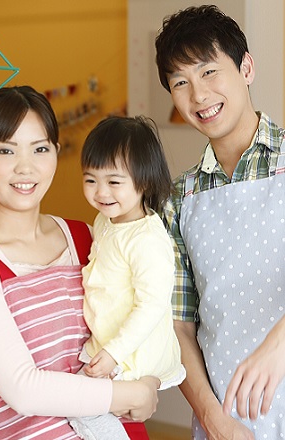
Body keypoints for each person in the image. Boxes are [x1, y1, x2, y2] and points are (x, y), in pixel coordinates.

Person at [0, 86, 160, 440]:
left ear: (56, 153)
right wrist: (133, 394)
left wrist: (151, 380)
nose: (25, 167)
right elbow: (23, 390)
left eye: (40, 149)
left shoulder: (88, 237)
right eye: (5, 150)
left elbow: (145, 312)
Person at [156, 5, 285, 439]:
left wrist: (278, 343)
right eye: (181, 82)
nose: (198, 95)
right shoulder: (179, 199)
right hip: (228, 424)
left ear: (246, 68)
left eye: (209, 72)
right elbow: (178, 326)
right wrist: (214, 420)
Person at [67, 116, 186, 439]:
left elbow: (152, 305)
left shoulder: (146, 239)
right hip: (111, 341)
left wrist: (114, 353)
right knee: (89, 408)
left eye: (114, 182)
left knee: (82, 406)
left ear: (144, 182)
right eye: (90, 180)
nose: (101, 192)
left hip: (133, 350)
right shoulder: (106, 220)